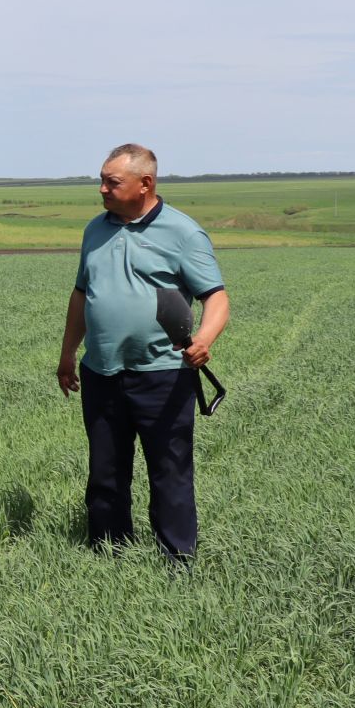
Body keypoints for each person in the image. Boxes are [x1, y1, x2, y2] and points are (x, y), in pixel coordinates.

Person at [57, 143, 229, 560]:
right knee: (105, 472)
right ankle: (108, 553)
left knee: (169, 473)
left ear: (145, 184)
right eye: (101, 180)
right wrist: (67, 355)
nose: (101, 189)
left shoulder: (183, 233)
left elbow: (216, 297)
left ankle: (176, 561)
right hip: (101, 372)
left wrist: (204, 340)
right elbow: (82, 295)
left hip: (163, 375)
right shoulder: (95, 230)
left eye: (111, 182)